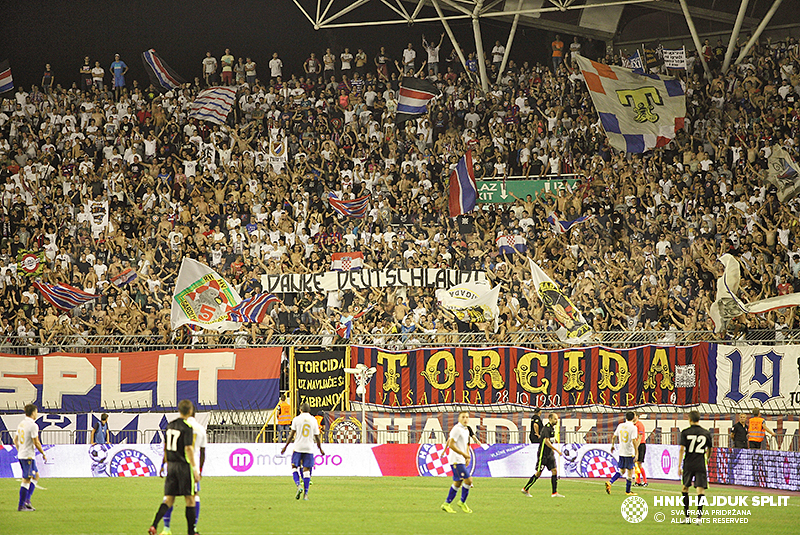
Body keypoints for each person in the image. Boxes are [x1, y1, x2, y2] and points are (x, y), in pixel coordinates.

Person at [147, 399, 201, 535]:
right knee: (190, 499)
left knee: (169, 499)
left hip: (171, 466)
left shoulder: (170, 426)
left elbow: (165, 447)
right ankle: (191, 532)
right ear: (190, 411)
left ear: (179, 410)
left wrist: (163, 463)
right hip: (183, 467)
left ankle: (154, 525)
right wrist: (195, 469)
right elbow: (188, 448)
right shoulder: (187, 428)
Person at [160, 406, 207, 535]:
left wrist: (163, 463)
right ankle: (193, 528)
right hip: (191, 467)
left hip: (174, 465)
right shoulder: (200, 429)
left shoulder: (176, 427)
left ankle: (166, 528)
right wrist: (199, 470)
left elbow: (168, 447)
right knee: (193, 497)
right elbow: (203, 453)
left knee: (169, 496)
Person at [281, 402, 324, 500]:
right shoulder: (313, 420)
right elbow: (317, 437)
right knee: (306, 470)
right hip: (309, 448)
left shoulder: (296, 419)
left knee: (294, 467)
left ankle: (298, 485)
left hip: (298, 447)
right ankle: (306, 494)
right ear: (309, 410)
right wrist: (320, 449)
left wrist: (285, 446)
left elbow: (291, 435)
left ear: (300, 410)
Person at [441, 411, 481, 513]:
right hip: (455, 460)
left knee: (457, 483)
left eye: (467, 417)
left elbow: (467, 444)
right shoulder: (456, 429)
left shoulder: (466, 430)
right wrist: (463, 454)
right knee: (468, 480)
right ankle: (462, 502)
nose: (465, 419)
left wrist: (467, 456)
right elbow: (451, 444)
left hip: (461, 460)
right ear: (459, 418)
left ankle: (446, 504)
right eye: (463, 417)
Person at [678, 410, 712, 524]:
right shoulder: (706, 433)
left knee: (685, 488)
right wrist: (706, 458)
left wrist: (679, 465)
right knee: (700, 490)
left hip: (688, 463)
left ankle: (687, 516)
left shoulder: (685, 432)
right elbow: (710, 449)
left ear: (690, 419)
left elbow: (682, 449)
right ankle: (699, 518)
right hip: (700, 463)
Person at [520, 412, 563, 497]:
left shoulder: (552, 429)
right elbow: (546, 441)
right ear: (550, 419)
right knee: (538, 473)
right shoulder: (546, 428)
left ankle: (554, 492)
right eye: (555, 419)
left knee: (554, 471)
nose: (556, 420)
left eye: (557, 419)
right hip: (543, 455)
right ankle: (525, 489)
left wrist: (552, 450)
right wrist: (557, 450)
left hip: (549, 454)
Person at [14, 403, 46, 511]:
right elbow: (36, 442)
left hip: (24, 455)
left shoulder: (21, 424)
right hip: (27, 456)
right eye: (36, 412)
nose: (37, 414)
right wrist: (43, 453)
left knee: (36, 475)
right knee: (26, 480)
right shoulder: (33, 425)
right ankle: (21, 505)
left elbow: (15, 440)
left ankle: (27, 500)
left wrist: (20, 450)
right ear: (33, 413)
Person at [605, 411, 639, 496]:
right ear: (633, 418)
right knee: (630, 471)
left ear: (626, 417)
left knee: (622, 470)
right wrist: (636, 452)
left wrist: (612, 445)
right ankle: (628, 491)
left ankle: (610, 482)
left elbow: (614, 437)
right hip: (629, 452)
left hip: (622, 452)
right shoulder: (633, 428)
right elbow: (634, 440)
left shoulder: (620, 425)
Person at [633, 413, 648, 487]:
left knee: (639, 463)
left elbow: (640, 436)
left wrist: (637, 446)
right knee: (636, 464)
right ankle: (638, 481)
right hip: (636, 445)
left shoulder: (639, 425)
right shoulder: (634, 425)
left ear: (637, 416)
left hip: (641, 445)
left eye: (634, 415)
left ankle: (645, 481)